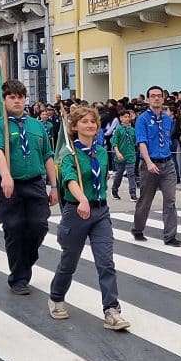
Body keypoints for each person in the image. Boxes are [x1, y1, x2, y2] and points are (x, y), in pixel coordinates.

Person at [47, 106, 129, 330]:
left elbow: (101, 180)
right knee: (69, 261)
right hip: (76, 212)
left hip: (100, 212)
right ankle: (56, 296)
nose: (90, 125)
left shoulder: (101, 152)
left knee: (106, 262)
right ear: (74, 126)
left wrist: (92, 201)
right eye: (84, 121)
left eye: (93, 121)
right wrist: (82, 199)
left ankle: (111, 309)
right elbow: (70, 180)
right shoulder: (68, 153)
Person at [0, 79, 58, 295]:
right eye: (12, 97)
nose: (17, 101)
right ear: (4, 100)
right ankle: (19, 278)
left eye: (20, 97)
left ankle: (25, 262)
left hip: (34, 182)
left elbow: (48, 155)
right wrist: (6, 175)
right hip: (9, 183)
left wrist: (54, 186)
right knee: (14, 227)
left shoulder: (37, 126)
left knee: (39, 226)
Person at [132, 86, 181, 245]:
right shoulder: (142, 119)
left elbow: (166, 139)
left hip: (167, 164)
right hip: (149, 164)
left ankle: (170, 236)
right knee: (146, 200)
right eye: (153, 96)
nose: (156, 98)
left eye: (159, 96)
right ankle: (138, 228)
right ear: (147, 99)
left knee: (170, 200)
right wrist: (148, 162)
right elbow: (142, 142)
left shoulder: (167, 119)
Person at [110, 107, 137, 200]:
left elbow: (136, 141)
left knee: (131, 174)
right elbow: (115, 142)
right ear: (121, 118)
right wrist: (117, 153)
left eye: (128, 117)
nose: (127, 118)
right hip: (120, 155)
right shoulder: (118, 130)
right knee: (119, 174)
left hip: (131, 155)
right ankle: (114, 190)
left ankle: (133, 193)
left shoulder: (133, 130)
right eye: (125, 117)